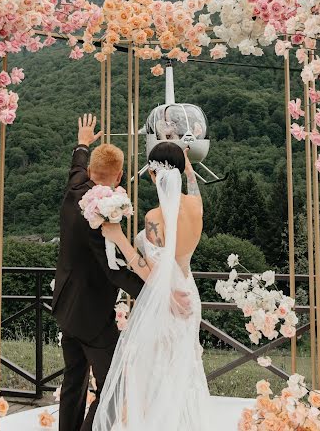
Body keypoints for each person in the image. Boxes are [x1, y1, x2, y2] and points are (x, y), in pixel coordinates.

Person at [53, 115, 192, 431]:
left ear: (90, 173)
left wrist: (83, 142)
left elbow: (76, 167)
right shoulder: (101, 218)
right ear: (119, 177)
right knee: (113, 389)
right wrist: (160, 295)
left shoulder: (75, 188)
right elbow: (115, 272)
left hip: (64, 306)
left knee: (74, 380)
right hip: (92, 318)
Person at [93, 142, 211, 431]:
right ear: (182, 171)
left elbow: (151, 273)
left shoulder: (154, 218)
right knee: (181, 372)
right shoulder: (196, 206)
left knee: (151, 371)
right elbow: (192, 184)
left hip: (167, 299)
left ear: (154, 174)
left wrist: (118, 236)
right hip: (188, 293)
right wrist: (186, 162)